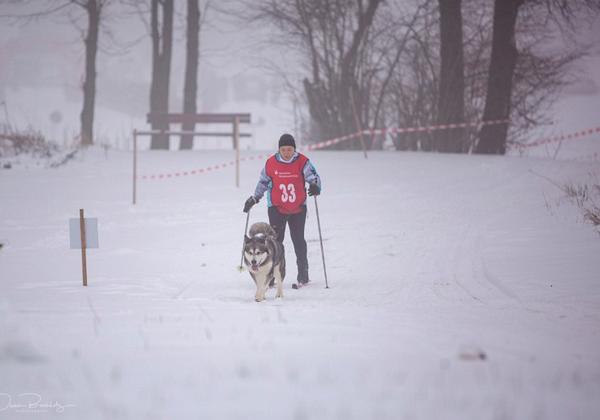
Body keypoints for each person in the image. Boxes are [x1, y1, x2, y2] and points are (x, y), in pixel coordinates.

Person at [243, 133, 321, 285]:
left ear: (294, 149)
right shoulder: (271, 163)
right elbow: (263, 182)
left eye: (290, 149)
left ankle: (303, 274)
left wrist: (315, 186)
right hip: (277, 208)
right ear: (279, 150)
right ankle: (270, 276)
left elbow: (313, 176)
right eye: (284, 149)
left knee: (298, 240)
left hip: (298, 208)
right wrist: (255, 198)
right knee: (274, 242)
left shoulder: (302, 161)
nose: (287, 153)